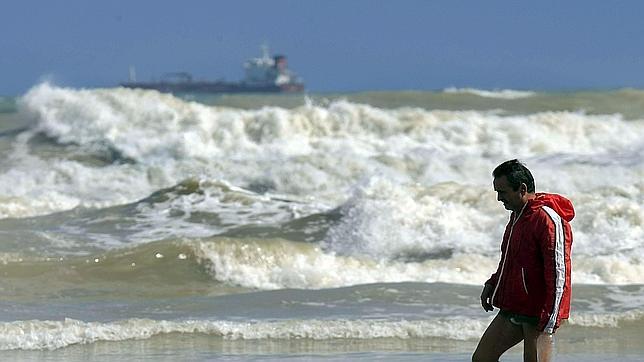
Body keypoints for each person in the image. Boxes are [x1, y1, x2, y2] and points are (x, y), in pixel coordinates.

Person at [472, 159, 574, 362]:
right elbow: (510, 259)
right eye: (497, 192)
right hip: (513, 304)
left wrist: (551, 318)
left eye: (502, 192)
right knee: (481, 358)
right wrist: (493, 283)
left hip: (538, 312)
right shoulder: (517, 215)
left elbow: (559, 273)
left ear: (522, 189)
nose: (499, 199)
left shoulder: (547, 219)